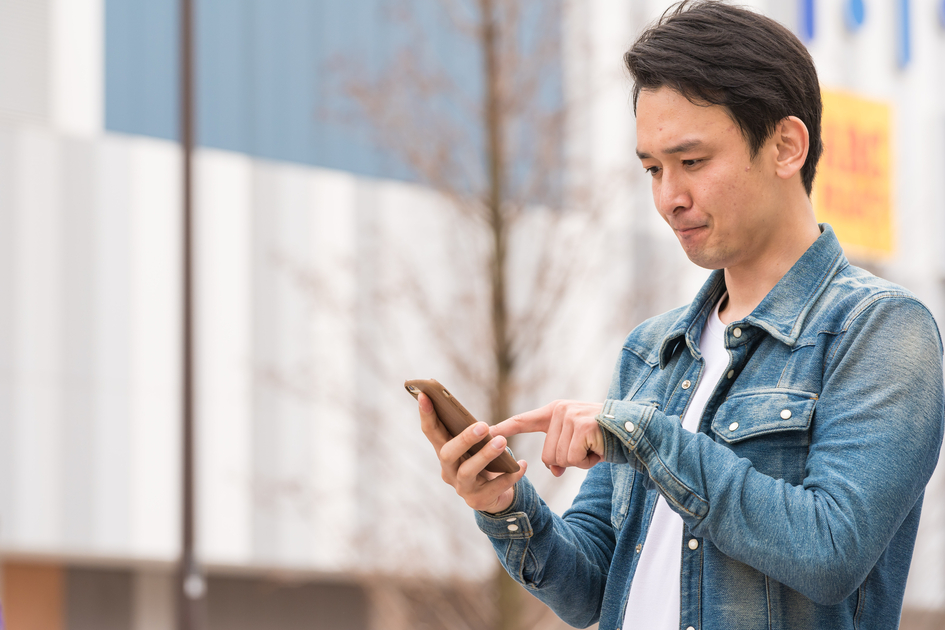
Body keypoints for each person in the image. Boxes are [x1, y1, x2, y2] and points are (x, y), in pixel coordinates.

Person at [416, 1, 945, 628]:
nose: (669, 198)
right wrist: (505, 504)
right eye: (652, 169)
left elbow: (830, 551)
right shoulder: (652, 350)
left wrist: (648, 438)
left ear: (786, 146)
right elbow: (594, 588)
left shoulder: (881, 329)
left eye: (692, 162)